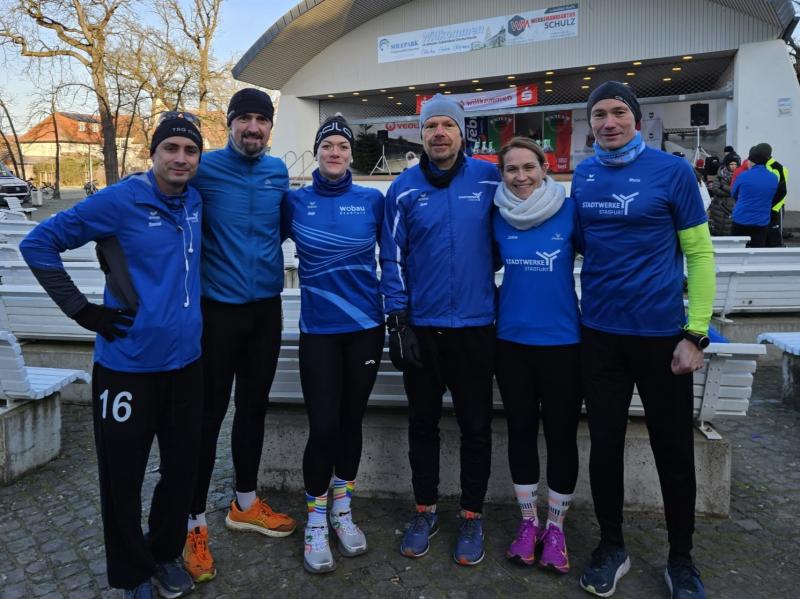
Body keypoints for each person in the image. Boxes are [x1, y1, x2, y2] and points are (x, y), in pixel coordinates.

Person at [20, 114, 205, 599]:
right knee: (122, 477)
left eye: (190, 150)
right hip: (128, 367)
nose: (181, 158)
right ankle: (130, 573)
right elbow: (37, 243)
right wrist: (83, 311)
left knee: (182, 470)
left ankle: (164, 554)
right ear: (153, 154)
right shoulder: (119, 201)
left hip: (187, 364)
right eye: (171, 148)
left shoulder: (195, 201)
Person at [571, 82, 715, 599]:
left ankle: (681, 559)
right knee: (605, 447)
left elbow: (699, 255)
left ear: (636, 118)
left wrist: (695, 333)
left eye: (618, 113)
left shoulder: (673, 172)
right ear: (591, 124)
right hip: (600, 336)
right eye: (599, 115)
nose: (609, 122)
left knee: (672, 451)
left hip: (661, 338)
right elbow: (581, 245)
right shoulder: (584, 175)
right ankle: (612, 546)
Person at [380, 93, 501, 566]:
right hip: (423, 329)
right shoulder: (403, 188)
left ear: (462, 132)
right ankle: (424, 509)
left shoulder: (489, 178)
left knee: (476, 427)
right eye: (431, 126)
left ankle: (471, 514)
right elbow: (392, 256)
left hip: (475, 326)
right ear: (421, 134)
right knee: (422, 424)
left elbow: (512, 232)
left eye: (448, 125)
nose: (439, 134)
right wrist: (398, 317)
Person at [183, 88, 296, 584]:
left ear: (270, 126)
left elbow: (282, 228)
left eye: (261, 119)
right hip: (217, 313)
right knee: (207, 416)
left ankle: (245, 504)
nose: (253, 127)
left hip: (265, 311)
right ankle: (192, 523)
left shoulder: (277, 172)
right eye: (244, 118)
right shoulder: (203, 168)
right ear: (229, 123)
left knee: (253, 408)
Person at [282, 115, 385, 574]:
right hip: (319, 330)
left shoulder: (371, 200)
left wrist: (399, 307)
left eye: (342, 146)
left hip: (365, 328)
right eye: (328, 146)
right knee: (323, 427)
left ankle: (342, 511)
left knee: (350, 422)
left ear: (350, 154)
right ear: (318, 153)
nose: (335, 152)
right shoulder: (294, 201)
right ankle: (315, 520)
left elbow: (395, 257)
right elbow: (257, 241)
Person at [492, 137, 581, 574]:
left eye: (529, 167)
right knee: (522, 433)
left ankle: (556, 528)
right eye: (512, 169)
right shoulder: (496, 216)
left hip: (563, 342)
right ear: (502, 174)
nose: (521, 176)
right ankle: (528, 523)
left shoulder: (570, 211)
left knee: (562, 436)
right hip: (511, 343)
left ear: (545, 169)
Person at [731, 143, 779, 248]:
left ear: (752, 162)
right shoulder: (774, 177)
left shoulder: (743, 175)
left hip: (741, 218)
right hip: (761, 221)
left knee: (736, 251)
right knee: (757, 250)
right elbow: (774, 196)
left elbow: (733, 193)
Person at [707, 152, 740, 236]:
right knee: (716, 230)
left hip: (732, 208)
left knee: (729, 231)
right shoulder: (719, 176)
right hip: (718, 208)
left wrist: (723, 187)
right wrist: (730, 192)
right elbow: (715, 189)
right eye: (731, 164)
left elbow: (738, 191)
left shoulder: (739, 177)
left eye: (735, 164)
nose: (733, 166)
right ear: (727, 165)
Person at [765, 152, 789, 247]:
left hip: (775, 207)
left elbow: (782, 191)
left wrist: (773, 206)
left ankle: (779, 248)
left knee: (775, 234)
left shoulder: (777, 168)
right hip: (769, 206)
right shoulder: (766, 166)